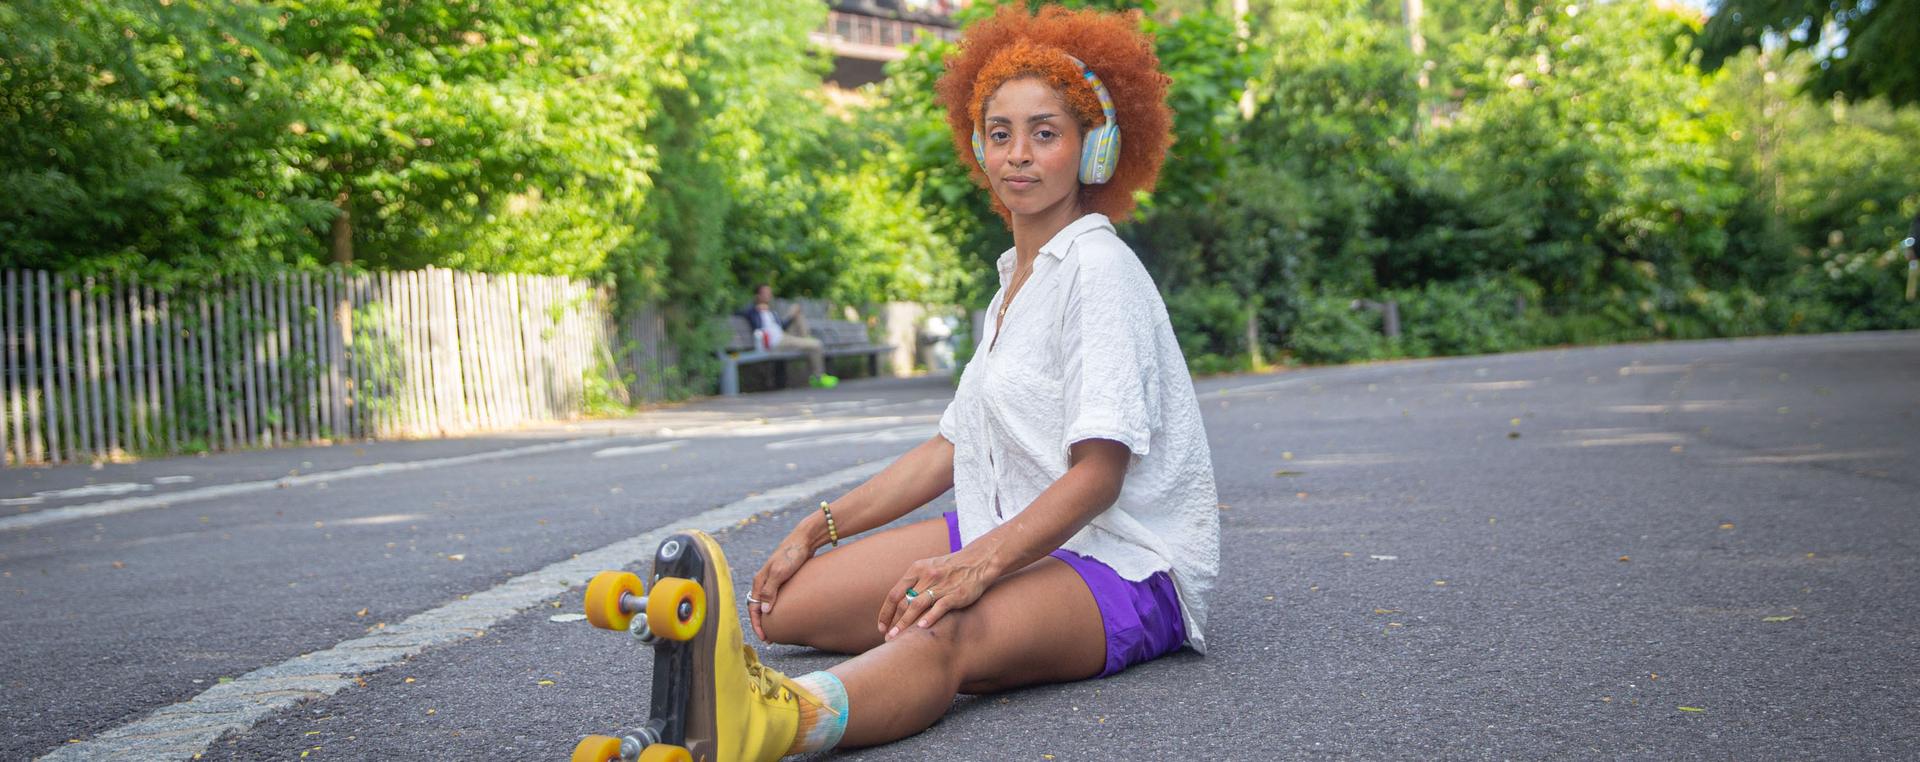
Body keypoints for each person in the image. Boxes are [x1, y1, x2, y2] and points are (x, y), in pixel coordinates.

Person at [588, 8, 1218, 760]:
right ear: (976, 145)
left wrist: (972, 568)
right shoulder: (1015, 280)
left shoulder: (1099, 270)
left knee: (938, 624)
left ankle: (780, 722)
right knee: (786, 606)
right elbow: (950, 448)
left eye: (1045, 133)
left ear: (1094, 149)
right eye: (999, 133)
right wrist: (814, 529)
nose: (1018, 154)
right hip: (1009, 519)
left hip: (1124, 561)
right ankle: (796, 674)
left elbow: (1099, 479)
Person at [738, 283, 838, 388]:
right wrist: (756, 308)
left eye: (769, 293)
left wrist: (791, 315)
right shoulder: (753, 312)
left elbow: (782, 326)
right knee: (817, 345)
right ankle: (818, 377)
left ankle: (806, 338)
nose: (769, 295)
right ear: (758, 295)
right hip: (776, 342)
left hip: (783, 335)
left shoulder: (771, 311)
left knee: (796, 310)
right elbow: (739, 313)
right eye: (765, 293)